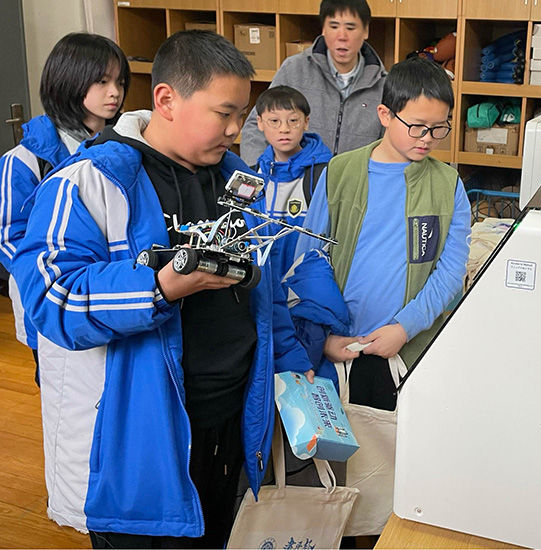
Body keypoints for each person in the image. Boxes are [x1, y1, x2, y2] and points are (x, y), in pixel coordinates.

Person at [11, 30, 314, 548]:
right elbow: (51, 297)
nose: (237, 129)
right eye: (224, 113)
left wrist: (289, 361)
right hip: (139, 441)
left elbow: (260, 288)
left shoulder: (236, 180)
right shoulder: (89, 180)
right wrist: (161, 286)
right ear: (167, 100)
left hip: (231, 423)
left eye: (243, 113)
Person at [294, 56, 471, 411]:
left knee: (394, 449)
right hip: (338, 343)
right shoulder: (341, 172)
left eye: (440, 128)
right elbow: (308, 261)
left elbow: (451, 272)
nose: (428, 139)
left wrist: (405, 327)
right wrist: (322, 338)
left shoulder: (447, 185)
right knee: (343, 449)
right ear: (385, 115)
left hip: (407, 348)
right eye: (418, 126)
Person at [0, 32, 129, 382]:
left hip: (110, 301)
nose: (114, 92)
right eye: (102, 81)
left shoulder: (125, 150)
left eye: (119, 81)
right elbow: (11, 239)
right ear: (69, 82)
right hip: (55, 307)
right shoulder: (24, 161)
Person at [240, 0, 386, 165]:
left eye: (351, 28)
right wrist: (259, 173)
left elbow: (389, 146)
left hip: (355, 186)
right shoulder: (295, 69)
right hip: (300, 183)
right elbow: (256, 125)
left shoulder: (382, 84)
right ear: (323, 29)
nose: (342, 37)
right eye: (334, 26)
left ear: (365, 31)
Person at [254, 85, 332, 278]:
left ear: (306, 122)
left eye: (293, 120)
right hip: (263, 282)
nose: (284, 129)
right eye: (274, 121)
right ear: (259, 123)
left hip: (304, 284)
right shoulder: (253, 175)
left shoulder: (324, 174)